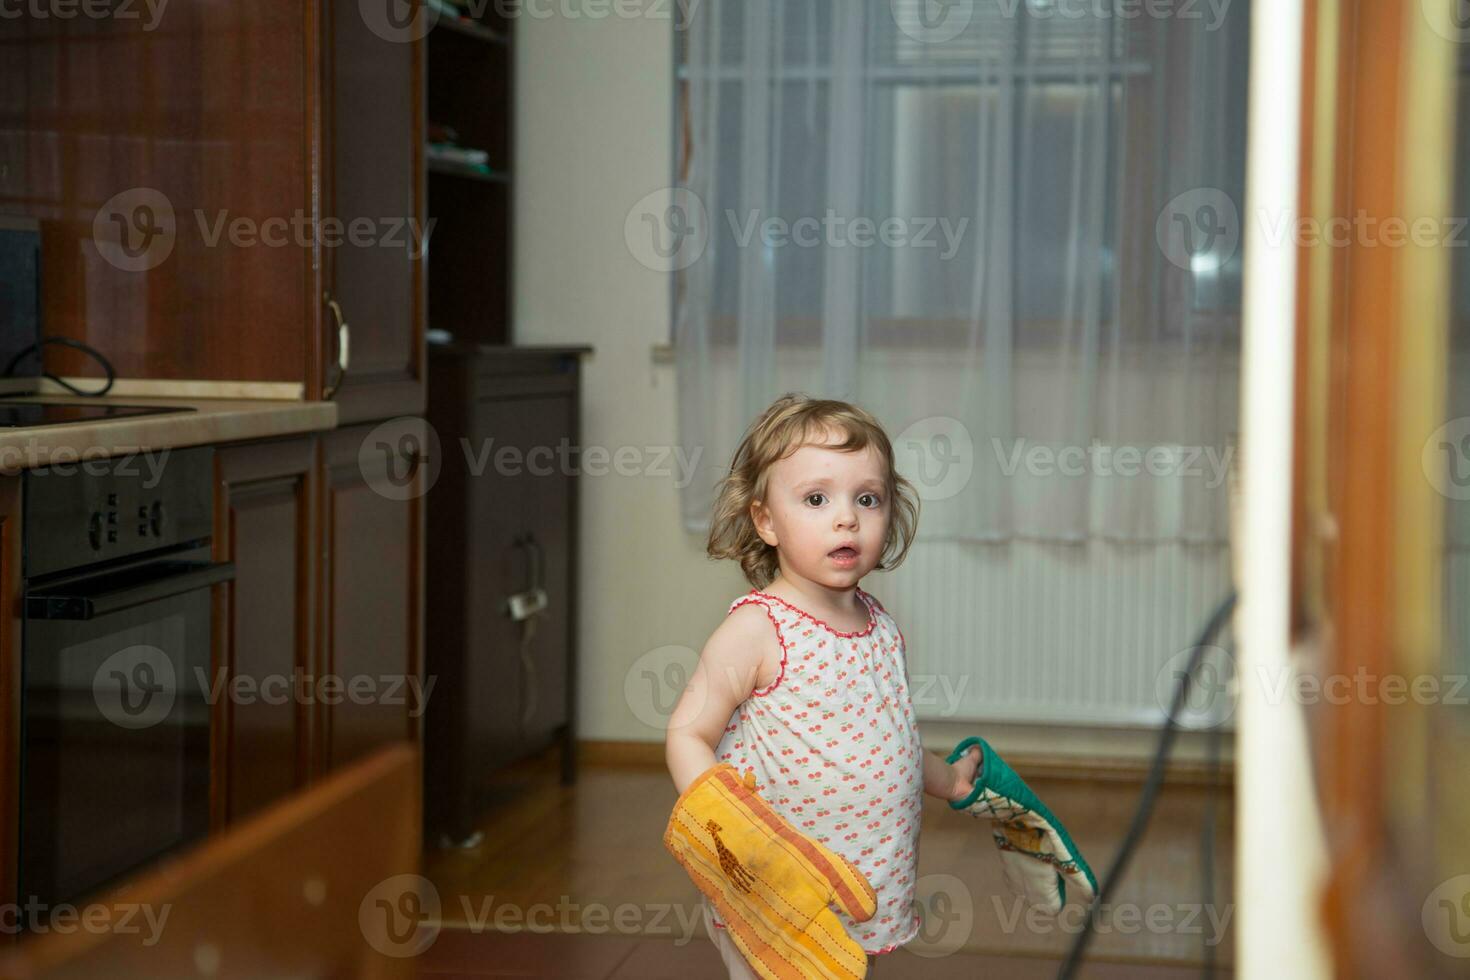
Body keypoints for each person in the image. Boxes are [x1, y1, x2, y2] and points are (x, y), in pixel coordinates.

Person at [665, 393, 984, 978]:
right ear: (765, 520)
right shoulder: (757, 628)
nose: (846, 518)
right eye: (816, 499)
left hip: (865, 870)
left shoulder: (880, 627)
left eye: (868, 499)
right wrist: (727, 824)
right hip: (775, 885)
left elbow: (893, 744)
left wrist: (950, 781)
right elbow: (688, 731)